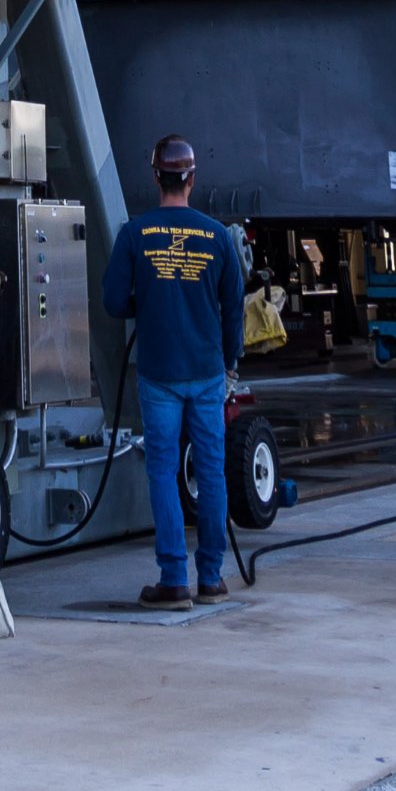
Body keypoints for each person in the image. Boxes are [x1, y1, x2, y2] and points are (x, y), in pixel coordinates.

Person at [102, 134, 246, 610]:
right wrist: (228, 362)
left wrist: (147, 298)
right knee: (211, 471)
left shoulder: (134, 234)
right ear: (192, 179)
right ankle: (210, 577)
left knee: (163, 471)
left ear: (155, 177)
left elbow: (112, 302)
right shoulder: (218, 236)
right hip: (206, 372)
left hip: (159, 372)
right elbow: (233, 310)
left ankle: (173, 580)